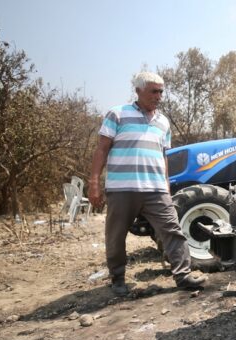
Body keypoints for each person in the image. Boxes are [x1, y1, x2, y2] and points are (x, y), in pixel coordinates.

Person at [88, 71, 206, 296]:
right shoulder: (117, 114)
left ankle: (182, 275)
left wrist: (167, 185)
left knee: (172, 230)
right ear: (138, 91)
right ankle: (118, 279)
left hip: (156, 189)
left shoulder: (163, 122)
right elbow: (102, 149)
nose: (159, 96)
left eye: (161, 91)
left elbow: (163, 156)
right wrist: (93, 182)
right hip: (122, 189)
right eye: (154, 91)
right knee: (116, 235)